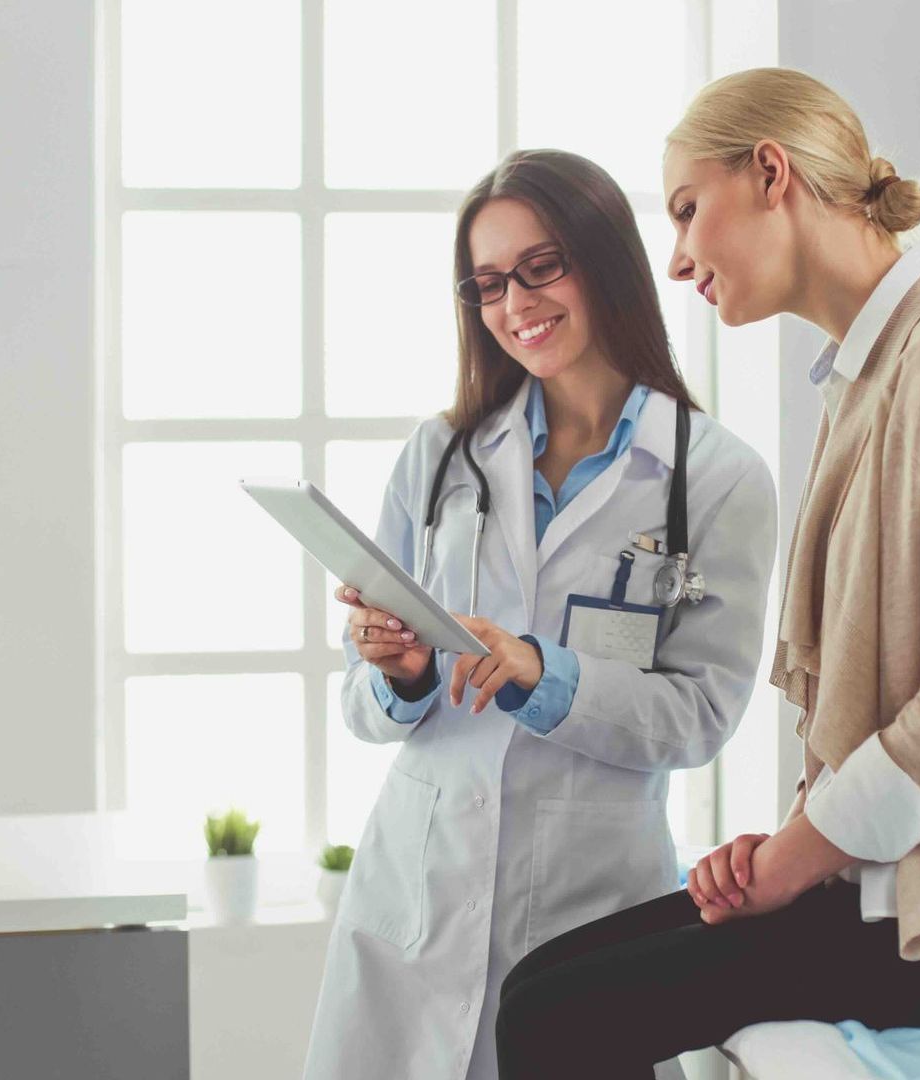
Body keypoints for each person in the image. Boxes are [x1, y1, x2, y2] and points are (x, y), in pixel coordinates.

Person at [495, 67, 920, 1079]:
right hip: (917, 862)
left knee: (558, 1019)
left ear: (769, 173)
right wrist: (800, 847)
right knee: (537, 986)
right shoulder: (870, 376)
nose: (675, 261)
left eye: (686, 211)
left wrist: (796, 863)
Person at [302, 149, 777, 1080]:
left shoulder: (716, 480)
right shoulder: (439, 456)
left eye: (540, 266)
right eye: (486, 283)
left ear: (604, 260)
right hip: (414, 908)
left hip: (590, 920)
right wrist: (397, 676)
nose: (515, 303)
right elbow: (359, 709)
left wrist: (541, 673)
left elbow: (701, 718)